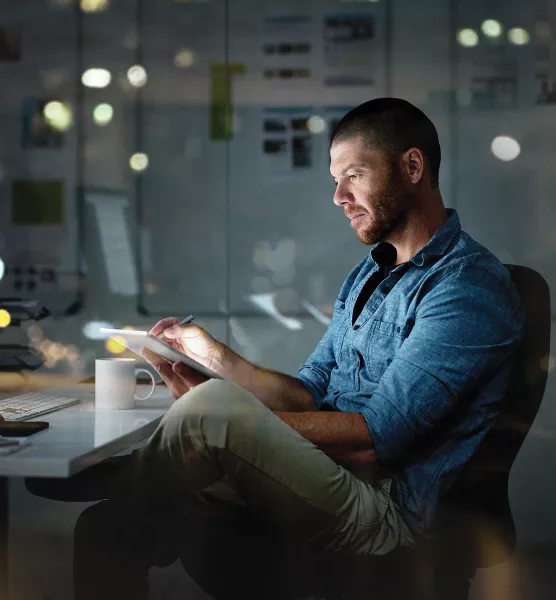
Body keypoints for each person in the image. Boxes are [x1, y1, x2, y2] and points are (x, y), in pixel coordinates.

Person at [26, 98, 525, 600]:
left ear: (412, 167)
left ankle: (133, 471)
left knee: (211, 412)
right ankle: (150, 466)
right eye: (336, 179)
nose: (339, 196)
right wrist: (216, 360)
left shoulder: (466, 287)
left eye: (354, 175)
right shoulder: (369, 274)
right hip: (328, 474)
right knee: (107, 528)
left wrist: (226, 424)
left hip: (388, 510)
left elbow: (377, 441)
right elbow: (306, 396)